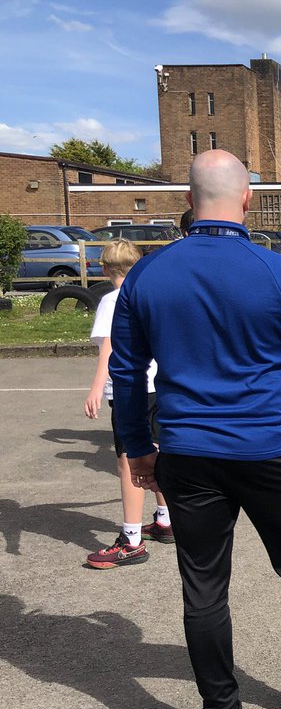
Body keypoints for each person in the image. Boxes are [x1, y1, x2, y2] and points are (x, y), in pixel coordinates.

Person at [108, 149, 281, 709]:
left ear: (187, 202)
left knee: (203, 586)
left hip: (188, 449)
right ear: (247, 200)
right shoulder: (277, 271)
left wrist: (137, 449)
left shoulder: (148, 275)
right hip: (268, 445)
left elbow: (127, 373)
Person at [82, 238, 171, 569]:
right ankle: (165, 519)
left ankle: (131, 540)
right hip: (157, 386)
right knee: (158, 453)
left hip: (128, 389)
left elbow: (110, 348)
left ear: (105, 269)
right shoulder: (150, 294)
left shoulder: (111, 300)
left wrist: (94, 389)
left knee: (129, 461)